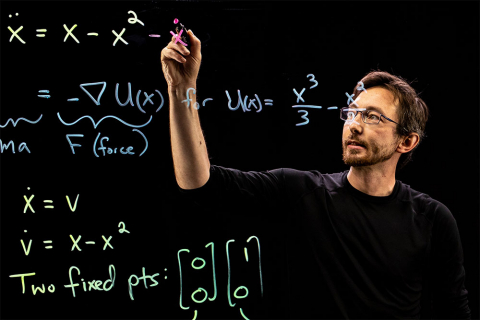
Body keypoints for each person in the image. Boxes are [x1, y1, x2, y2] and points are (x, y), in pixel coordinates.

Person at [161, 30, 471, 319]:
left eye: (373, 116)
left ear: (407, 141)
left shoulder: (432, 219)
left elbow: (454, 310)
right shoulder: (301, 192)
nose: (354, 124)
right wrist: (181, 89)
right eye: (351, 113)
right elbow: (200, 183)